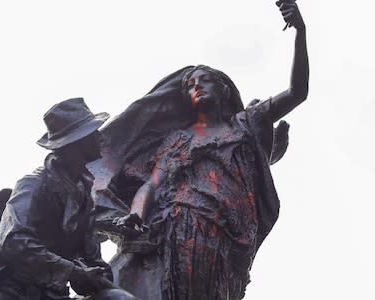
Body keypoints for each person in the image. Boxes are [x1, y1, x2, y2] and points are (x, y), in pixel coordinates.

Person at [89, 1, 308, 299]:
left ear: (224, 90)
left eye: (205, 81)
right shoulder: (179, 139)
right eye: (191, 84)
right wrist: (136, 216)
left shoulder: (246, 123)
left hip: (233, 238)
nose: (198, 87)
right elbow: (152, 185)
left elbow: (298, 92)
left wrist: (300, 31)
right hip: (184, 225)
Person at [0, 98, 137, 300]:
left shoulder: (85, 194)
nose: (100, 137)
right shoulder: (33, 184)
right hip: (11, 290)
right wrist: (71, 271)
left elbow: (92, 258)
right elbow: (13, 242)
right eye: (92, 133)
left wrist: (96, 275)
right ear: (76, 144)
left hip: (52, 295)